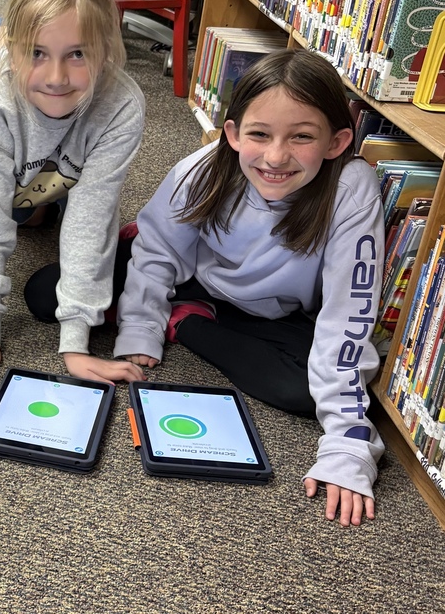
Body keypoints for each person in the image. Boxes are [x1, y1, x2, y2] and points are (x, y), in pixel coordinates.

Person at [105, 49, 382, 526]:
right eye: (259, 134)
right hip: (198, 278)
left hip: (272, 313)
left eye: (301, 137)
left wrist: (348, 446)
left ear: (337, 142)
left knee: (303, 390)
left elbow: (348, 317)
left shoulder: (351, 191)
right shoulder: (204, 168)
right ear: (233, 134)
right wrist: (138, 329)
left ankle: (184, 322)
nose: (276, 157)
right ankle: (173, 309)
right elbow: (158, 253)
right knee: (49, 292)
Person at [0, 0, 147, 385]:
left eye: (78, 54)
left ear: (106, 51)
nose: (56, 77)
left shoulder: (121, 105)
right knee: (11, 208)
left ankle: (38, 47)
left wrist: (75, 342)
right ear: (17, 51)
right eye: (38, 53)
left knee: (37, 201)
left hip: (32, 58)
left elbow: (92, 221)